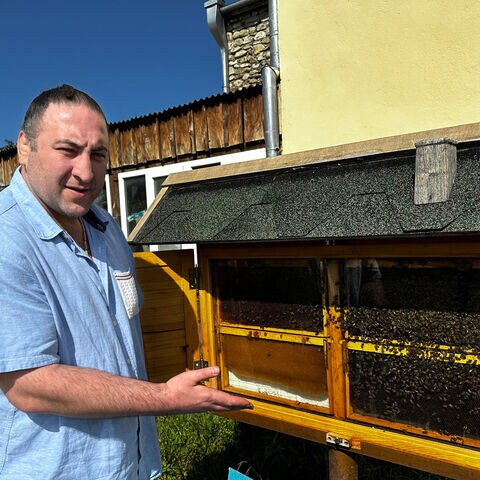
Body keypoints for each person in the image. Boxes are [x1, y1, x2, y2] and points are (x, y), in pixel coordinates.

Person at [0, 85, 252, 479]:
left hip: (130, 463)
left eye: (98, 154)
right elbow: (29, 384)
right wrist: (166, 397)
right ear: (24, 148)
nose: (86, 172)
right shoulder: (7, 238)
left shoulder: (106, 229)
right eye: (67, 150)